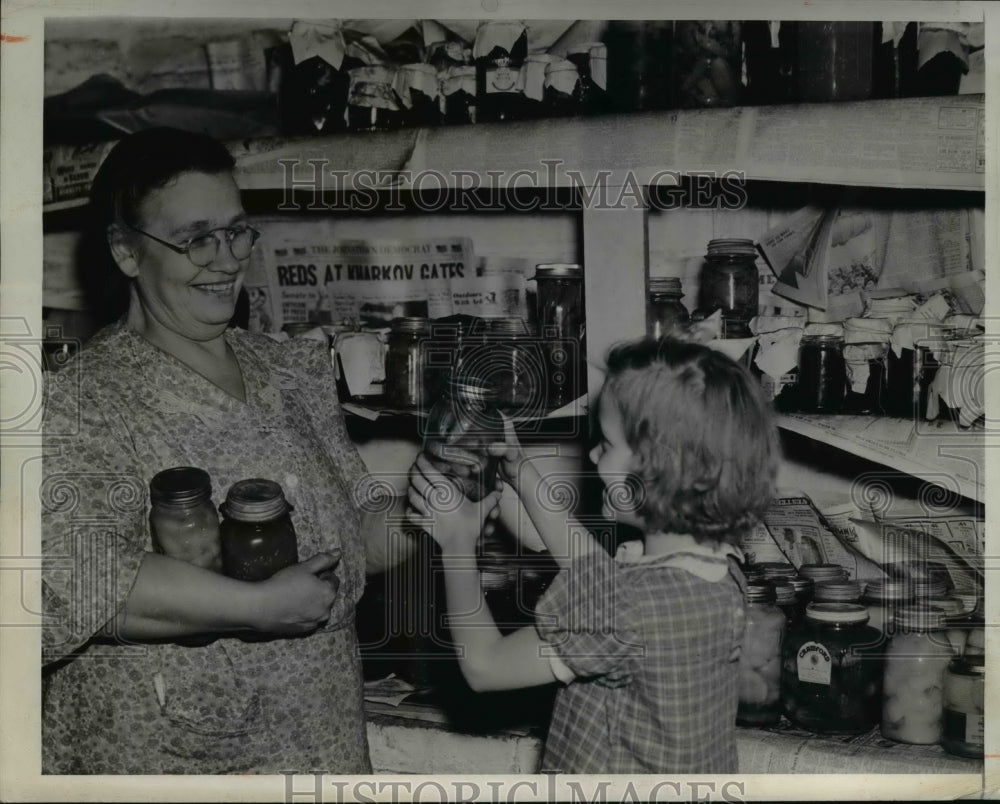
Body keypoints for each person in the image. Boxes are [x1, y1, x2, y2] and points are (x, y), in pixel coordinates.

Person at [41, 128, 412, 774]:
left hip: (317, 747)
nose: (227, 259)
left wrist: (437, 502)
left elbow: (351, 542)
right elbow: (81, 579)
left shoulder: (291, 371)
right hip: (175, 761)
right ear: (126, 251)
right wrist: (257, 609)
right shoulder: (83, 399)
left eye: (237, 232)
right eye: (196, 239)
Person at [407, 336, 779, 773]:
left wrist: (456, 543)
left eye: (606, 443)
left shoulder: (625, 610)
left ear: (656, 468)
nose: (592, 453)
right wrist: (521, 471)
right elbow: (596, 577)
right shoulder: (718, 570)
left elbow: (485, 667)